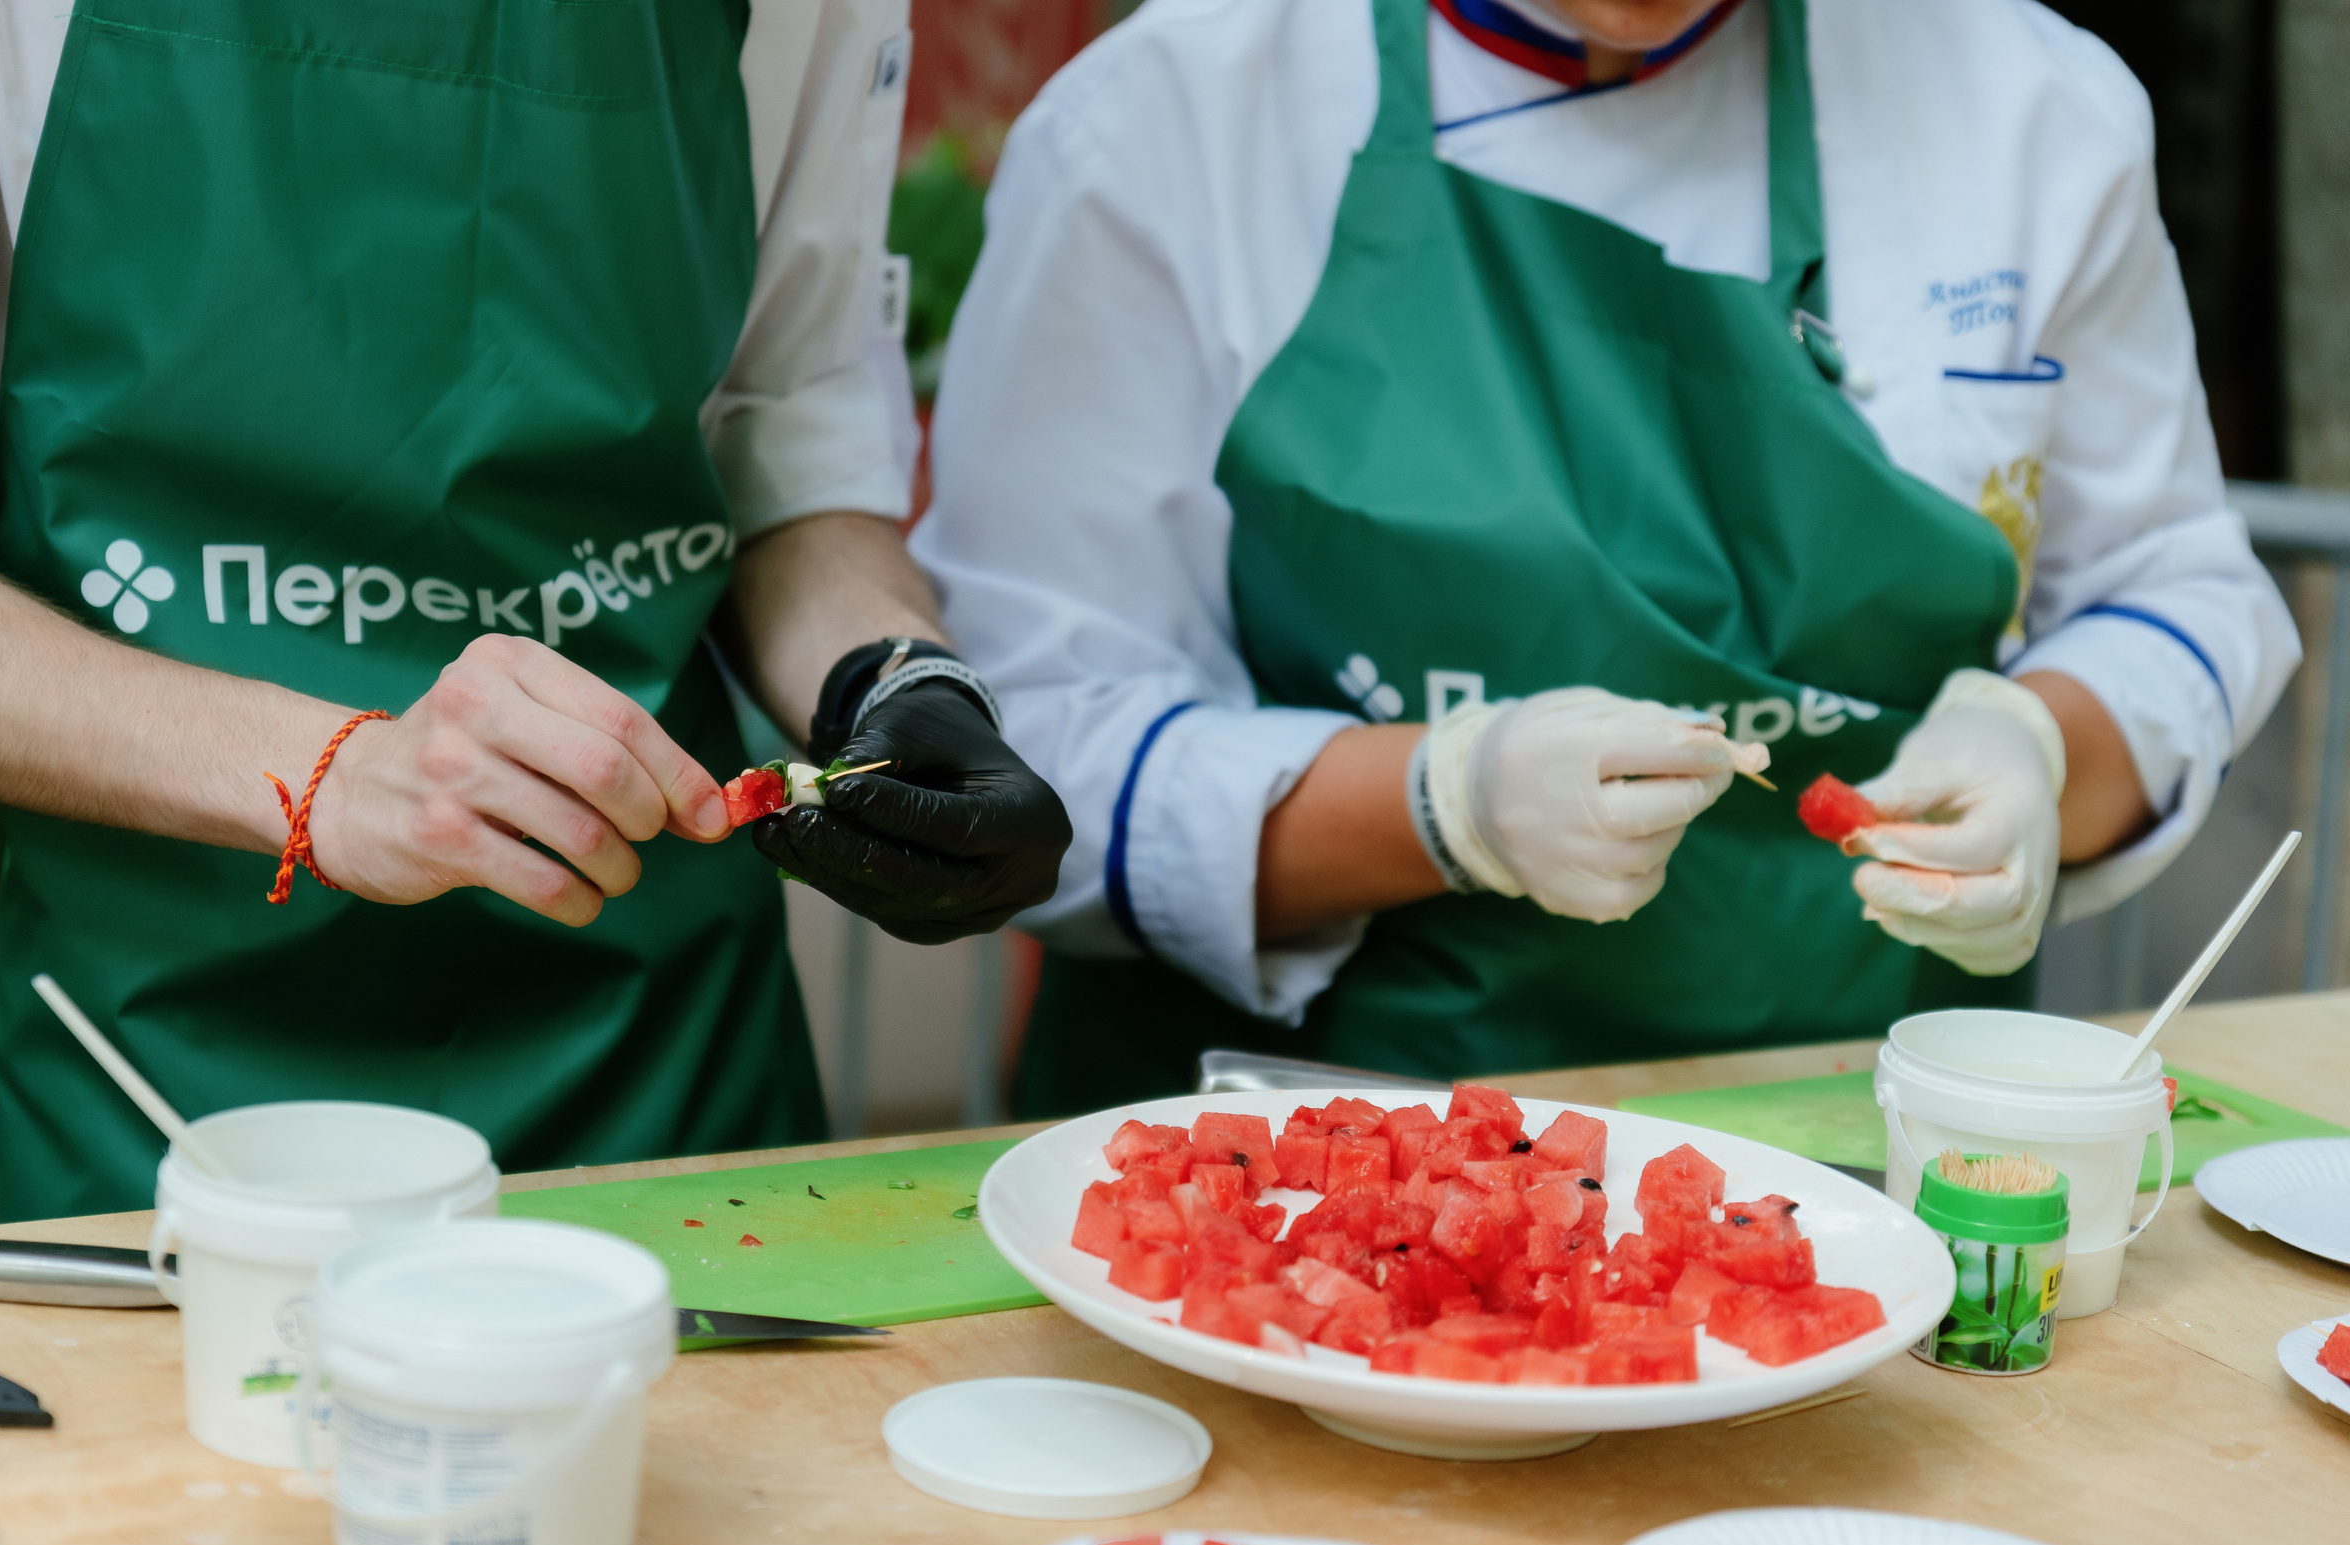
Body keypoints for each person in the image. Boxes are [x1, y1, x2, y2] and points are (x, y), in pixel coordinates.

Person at [0, 0, 1069, 1218]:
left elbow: (787, 451)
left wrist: (898, 683)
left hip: (662, 1071)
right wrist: (334, 776)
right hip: (170, 1082)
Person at [912, 0, 2299, 1113]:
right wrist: (1443, 805)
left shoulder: (2025, 108)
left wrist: (2043, 752)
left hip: (1871, 1167)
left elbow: (2173, 586)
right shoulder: (1174, 119)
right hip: (1303, 1193)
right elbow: (1034, 752)